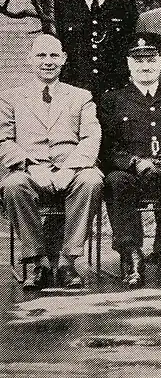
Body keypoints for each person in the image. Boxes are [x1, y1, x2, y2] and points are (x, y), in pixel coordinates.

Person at [0, 34, 103, 291]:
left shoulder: (81, 97)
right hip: (29, 169)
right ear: (29, 59)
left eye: (54, 55)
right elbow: (3, 140)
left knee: (91, 180)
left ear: (64, 59)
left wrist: (70, 169)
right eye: (41, 55)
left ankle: (68, 261)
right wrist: (31, 167)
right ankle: (40, 262)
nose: (48, 61)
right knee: (13, 185)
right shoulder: (10, 98)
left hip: (72, 168)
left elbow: (91, 137)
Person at [100, 33, 161, 288]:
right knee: (115, 181)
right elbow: (107, 147)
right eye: (139, 60)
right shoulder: (113, 100)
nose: (145, 66)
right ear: (128, 64)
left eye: (151, 60)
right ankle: (132, 256)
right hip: (132, 173)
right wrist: (134, 162)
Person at [54, 0, 139, 98]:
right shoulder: (64, 4)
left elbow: (129, 49)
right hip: (75, 92)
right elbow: (62, 47)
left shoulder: (125, 5)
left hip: (114, 93)